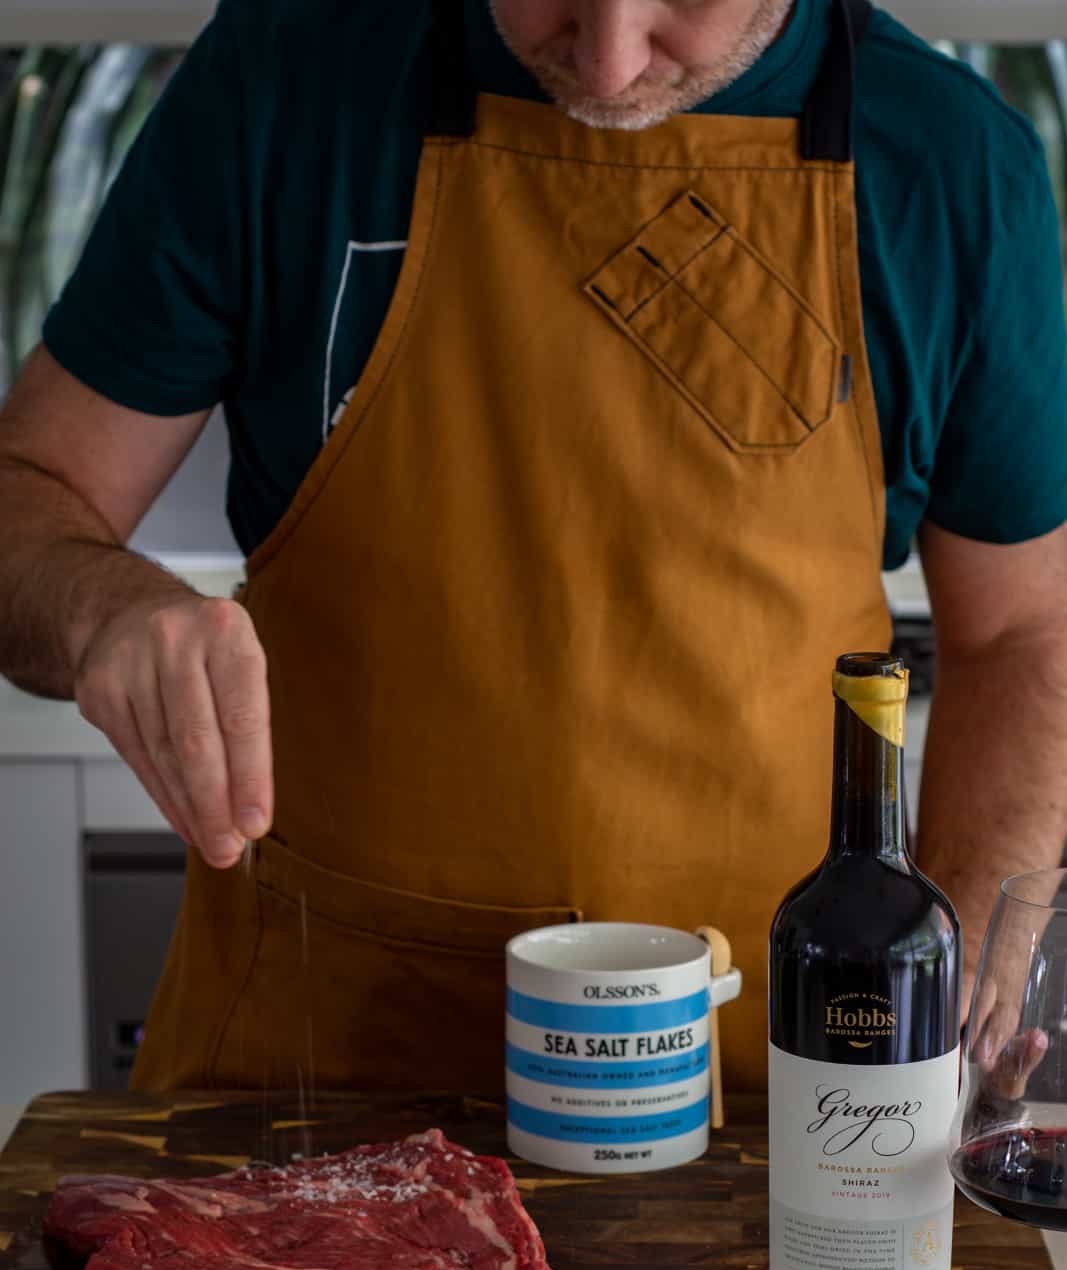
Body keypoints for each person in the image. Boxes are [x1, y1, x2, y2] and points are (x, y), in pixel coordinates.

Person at [1, 0, 1066, 1097]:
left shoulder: (949, 164)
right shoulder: (281, 81)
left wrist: (951, 1001)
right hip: (314, 1078)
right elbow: (30, 495)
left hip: (766, 1092)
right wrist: (103, 610)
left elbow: (1024, 633)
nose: (605, 60)